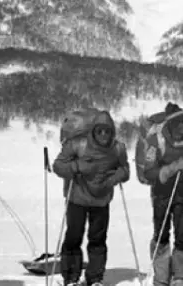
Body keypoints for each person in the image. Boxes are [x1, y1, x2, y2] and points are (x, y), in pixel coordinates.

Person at [52, 110, 131, 286]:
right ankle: (71, 277)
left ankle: (95, 278)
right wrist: (77, 166)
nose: (103, 135)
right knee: (74, 237)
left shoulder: (117, 148)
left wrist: (114, 178)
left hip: (101, 201)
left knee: (98, 239)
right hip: (77, 199)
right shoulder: (77, 144)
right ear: (93, 131)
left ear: (112, 132)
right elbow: (58, 166)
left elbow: (125, 170)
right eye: (100, 131)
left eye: (107, 131)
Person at [141, 102, 183, 286]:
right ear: (173, 124)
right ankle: (161, 277)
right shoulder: (157, 139)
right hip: (162, 193)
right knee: (161, 234)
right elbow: (148, 170)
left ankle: (180, 277)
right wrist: (168, 170)